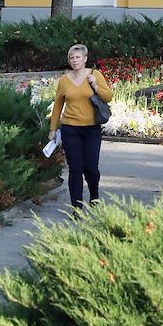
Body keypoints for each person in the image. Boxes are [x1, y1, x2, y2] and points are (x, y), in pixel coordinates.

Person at [49, 43, 114, 210]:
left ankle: (94, 196)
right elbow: (57, 105)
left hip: (91, 129)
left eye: (78, 57)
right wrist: (52, 129)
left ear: (85, 59)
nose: (74, 60)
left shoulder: (94, 74)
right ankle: (76, 208)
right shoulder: (64, 80)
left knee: (91, 168)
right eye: (71, 57)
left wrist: (96, 86)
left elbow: (108, 97)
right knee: (75, 169)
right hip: (70, 129)